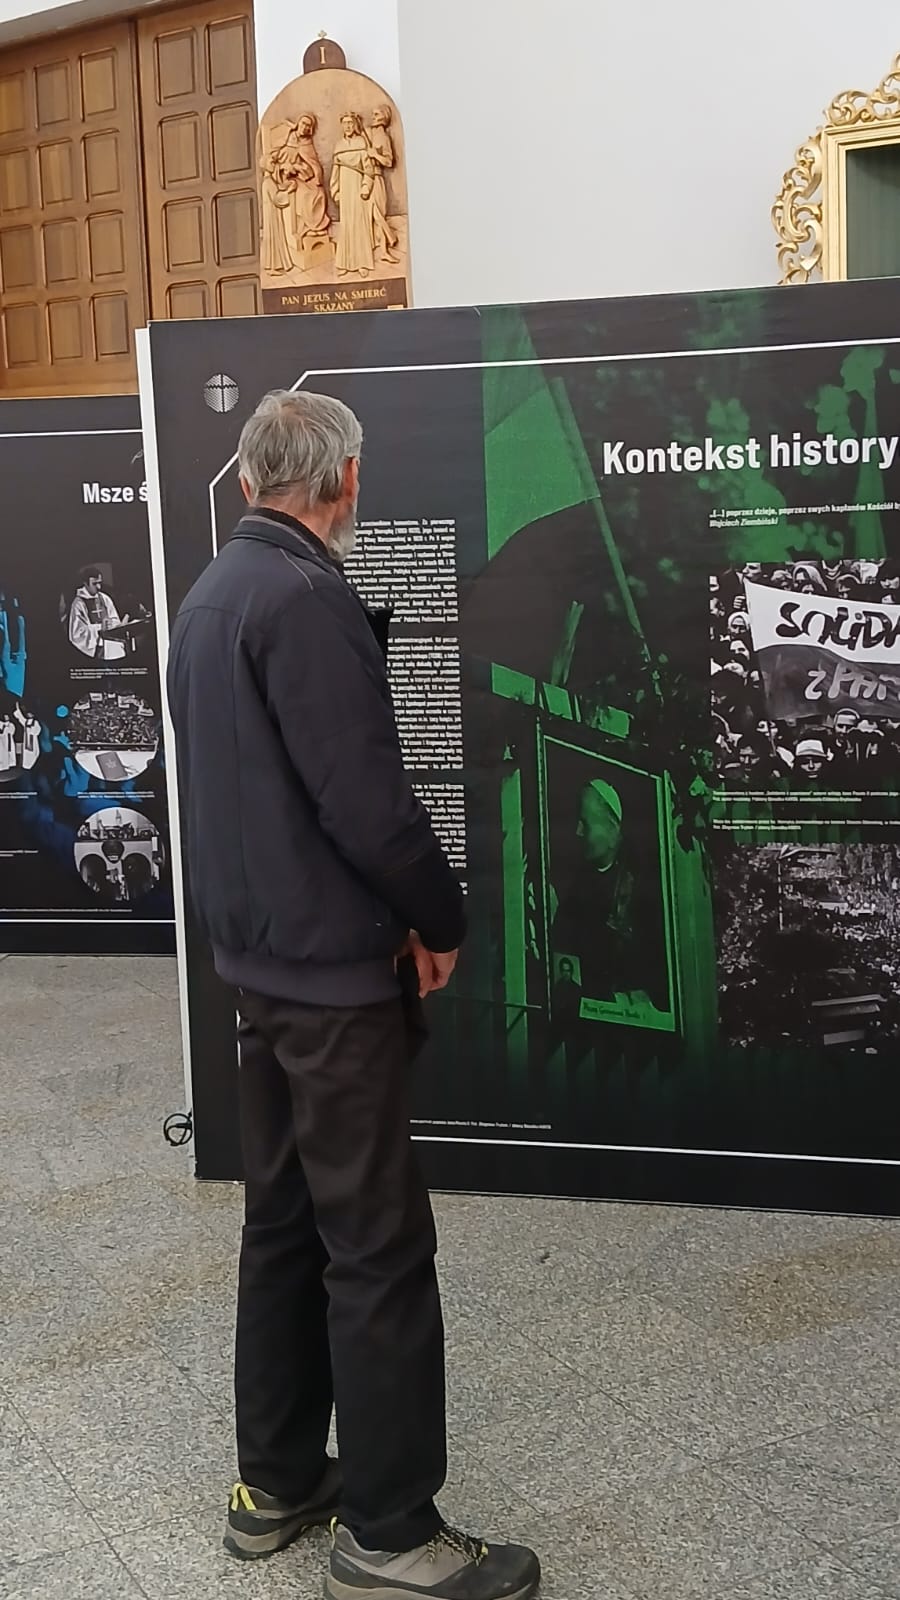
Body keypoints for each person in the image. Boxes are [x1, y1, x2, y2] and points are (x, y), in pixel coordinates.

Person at [166, 389, 540, 1600]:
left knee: (281, 1221)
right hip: (332, 986)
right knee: (376, 1246)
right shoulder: (307, 599)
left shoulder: (210, 594)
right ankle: (390, 1534)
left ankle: (275, 1483)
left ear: (247, 479)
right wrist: (442, 917)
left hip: (257, 973)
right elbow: (368, 806)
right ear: (347, 482)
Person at [330, 112, 375, 276]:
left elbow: (369, 170)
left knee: (360, 225)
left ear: (354, 124)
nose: (348, 126)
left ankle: (363, 263)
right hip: (345, 191)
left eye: (350, 123)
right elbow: (335, 173)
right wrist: (335, 192)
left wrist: (366, 187)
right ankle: (345, 264)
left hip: (358, 190)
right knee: (347, 225)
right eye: (345, 123)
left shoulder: (361, 143)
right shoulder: (339, 146)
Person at [68, 567, 128, 660]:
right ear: (85, 584)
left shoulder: (105, 598)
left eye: (100, 583)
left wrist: (114, 624)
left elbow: (115, 620)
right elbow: (77, 634)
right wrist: (100, 627)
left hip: (111, 644)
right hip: (95, 648)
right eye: (94, 584)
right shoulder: (78, 603)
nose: (99, 587)